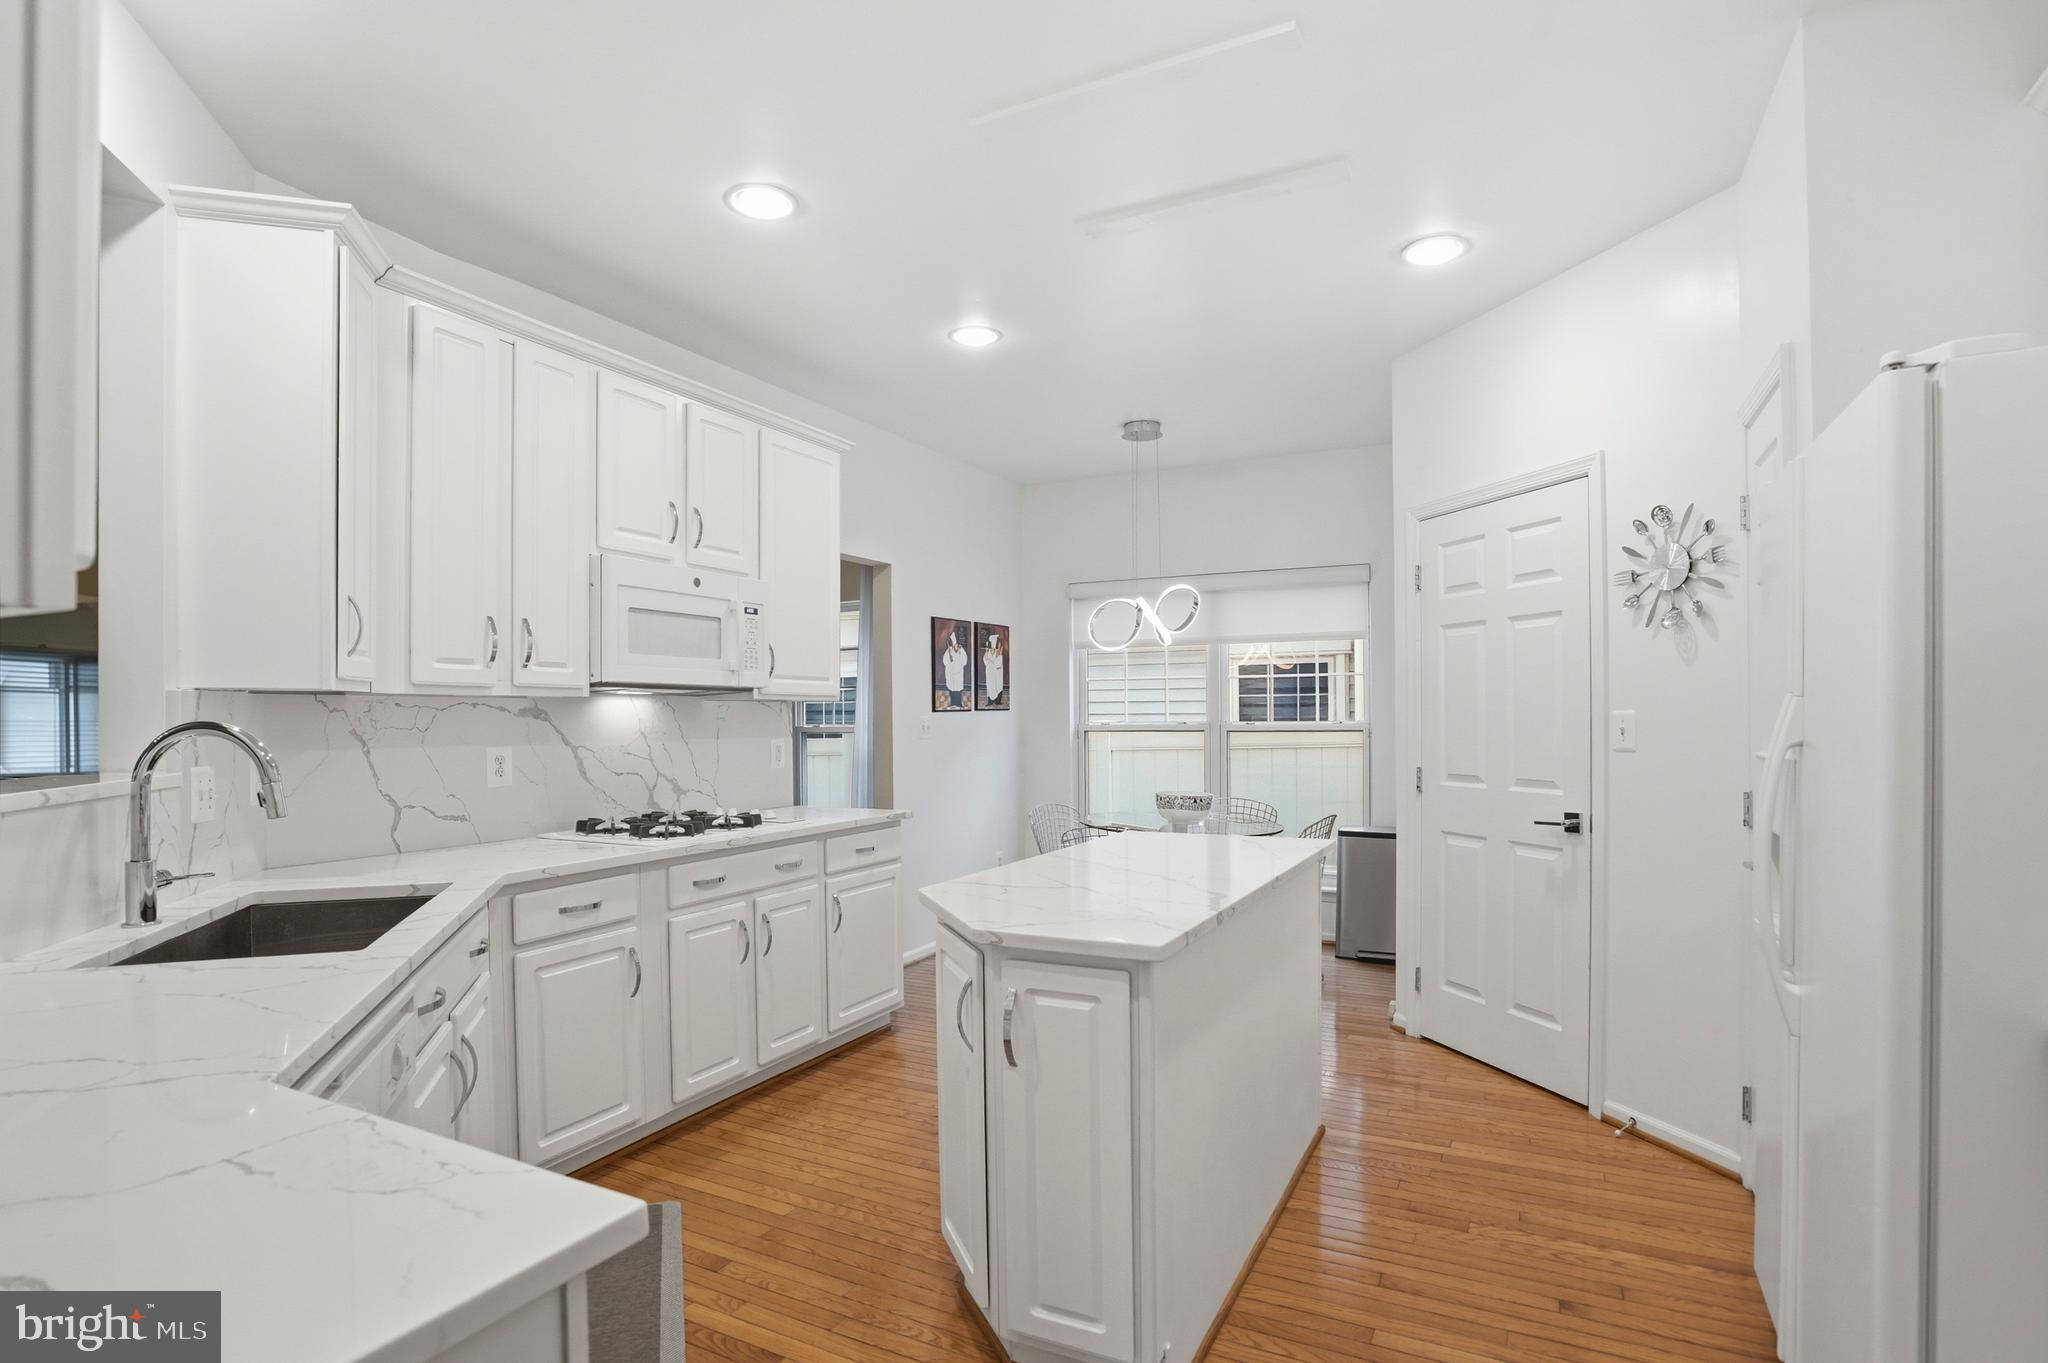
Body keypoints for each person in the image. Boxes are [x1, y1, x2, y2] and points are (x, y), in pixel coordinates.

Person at [941, 629, 968, 709]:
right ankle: (953, 703)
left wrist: (959, 657)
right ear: (953, 645)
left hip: (958, 673)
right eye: (954, 645)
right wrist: (949, 657)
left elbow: (964, 661)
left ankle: (959, 703)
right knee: (952, 688)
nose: (955, 647)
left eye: (956, 645)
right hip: (950, 672)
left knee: (958, 688)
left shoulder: (961, 651)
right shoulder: (949, 650)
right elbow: (945, 661)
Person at [981, 632, 1006, 706]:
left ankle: (998, 701)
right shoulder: (987, 652)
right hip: (990, 672)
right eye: (992, 648)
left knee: (998, 685)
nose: (993, 649)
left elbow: (999, 661)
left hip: (997, 672)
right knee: (990, 685)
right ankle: (990, 701)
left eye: (994, 648)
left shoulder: (998, 652)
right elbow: (985, 659)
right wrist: (989, 662)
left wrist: (995, 661)